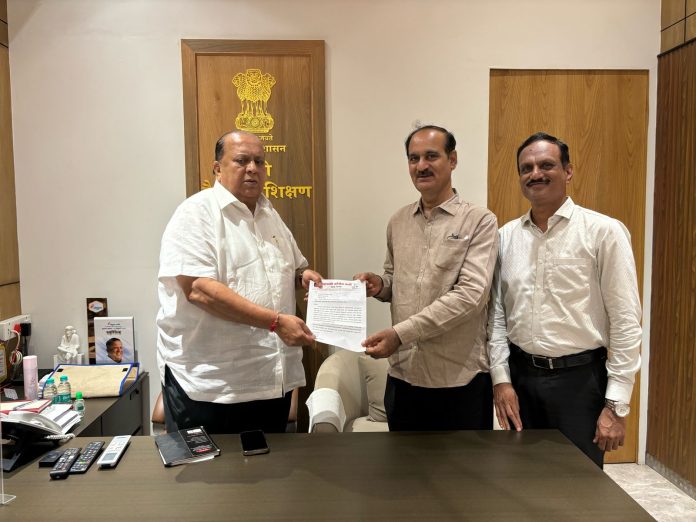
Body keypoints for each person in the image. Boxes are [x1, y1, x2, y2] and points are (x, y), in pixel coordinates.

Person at [487, 131, 642, 468]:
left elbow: (626, 320)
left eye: (546, 165)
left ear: (568, 171)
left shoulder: (603, 232)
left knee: (579, 485)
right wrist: (501, 379)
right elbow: (496, 315)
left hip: (581, 384)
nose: (535, 174)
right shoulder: (505, 237)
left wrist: (616, 405)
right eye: (526, 168)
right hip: (521, 380)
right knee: (522, 480)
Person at [156, 130, 323, 434]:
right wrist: (275, 322)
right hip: (211, 387)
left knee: (270, 463)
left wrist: (303, 277)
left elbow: (291, 268)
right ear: (217, 168)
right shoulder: (195, 214)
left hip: (270, 381)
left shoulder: (269, 214)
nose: (252, 168)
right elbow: (199, 290)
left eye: (259, 161)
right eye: (241, 160)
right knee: (209, 466)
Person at [354, 125, 498, 431]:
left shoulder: (479, 221)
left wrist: (399, 334)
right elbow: (394, 279)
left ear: (452, 160)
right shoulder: (398, 221)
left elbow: (470, 297)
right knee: (404, 463)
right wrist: (380, 285)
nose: (421, 166)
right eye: (413, 158)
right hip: (403, 377)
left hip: (459, 382)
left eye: (431, 156)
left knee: (465, 465)